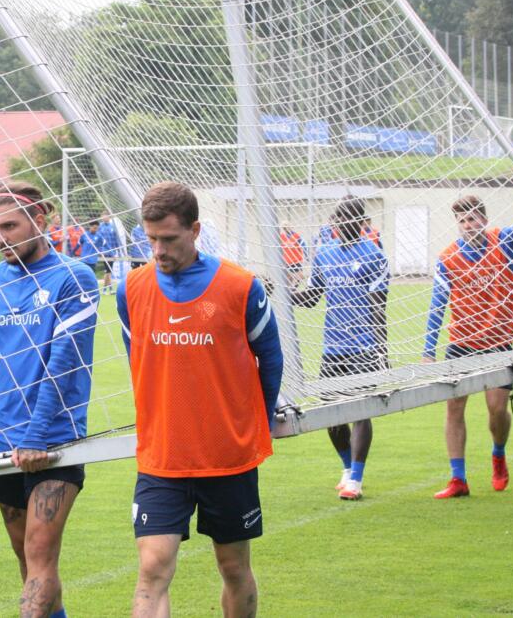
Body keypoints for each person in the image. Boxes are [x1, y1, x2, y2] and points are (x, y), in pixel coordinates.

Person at [118, 182, 282, 617]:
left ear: (195, 230)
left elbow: (271, 359)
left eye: (169, 239)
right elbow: (138, 359)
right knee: (152, 568)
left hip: (227, 456)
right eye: (150, 238)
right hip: (162, 456)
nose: (158, 250)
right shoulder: (131, 289)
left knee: (233, 566)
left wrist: (257, 425)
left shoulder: (241, 286)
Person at [0, 181, 99, 618]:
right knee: (26, 557)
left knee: (40, 553)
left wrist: (37, 437)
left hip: (53, 440)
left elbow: (64, 363)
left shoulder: (74, 277)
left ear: (41, 220)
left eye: (11, 226)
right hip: (2, 440)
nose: (1, 238)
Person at [423, 195, 513, 499]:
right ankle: (458, 478)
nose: (467, 225)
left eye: (472, 219)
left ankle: (498, 454)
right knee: (454, 407)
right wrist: (427, 350)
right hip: (461, 343)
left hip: (499, 342)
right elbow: (437, 305)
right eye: (462, 221)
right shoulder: (448, 258)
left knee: (497, 409)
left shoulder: (503, 241)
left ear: (484, 220)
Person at [292, 196, 389, 501]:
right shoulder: (324, 254)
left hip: (364, 346)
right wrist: (282, 291)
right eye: (336, 220)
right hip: (332, 348)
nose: (340, 225)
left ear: (360, 223)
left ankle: (357, 480)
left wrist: (382, 351)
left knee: (361, 410)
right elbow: (311, 297)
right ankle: (347, 470)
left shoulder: (374, 256)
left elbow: (379, 306)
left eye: (347, 220)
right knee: (330, 413)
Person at [97, 212, 121, 293]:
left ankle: (107, 289)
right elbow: (98, 240)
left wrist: (117, 251)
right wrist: (100, 251)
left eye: (105, 216)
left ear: (109, 217)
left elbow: (115, 240)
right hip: (104, 251)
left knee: (109, 271)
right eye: (103, 216)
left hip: (112, 252)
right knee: (108, 270)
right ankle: (107, 289)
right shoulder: (100, 227)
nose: (104, 218)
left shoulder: (112, 227)